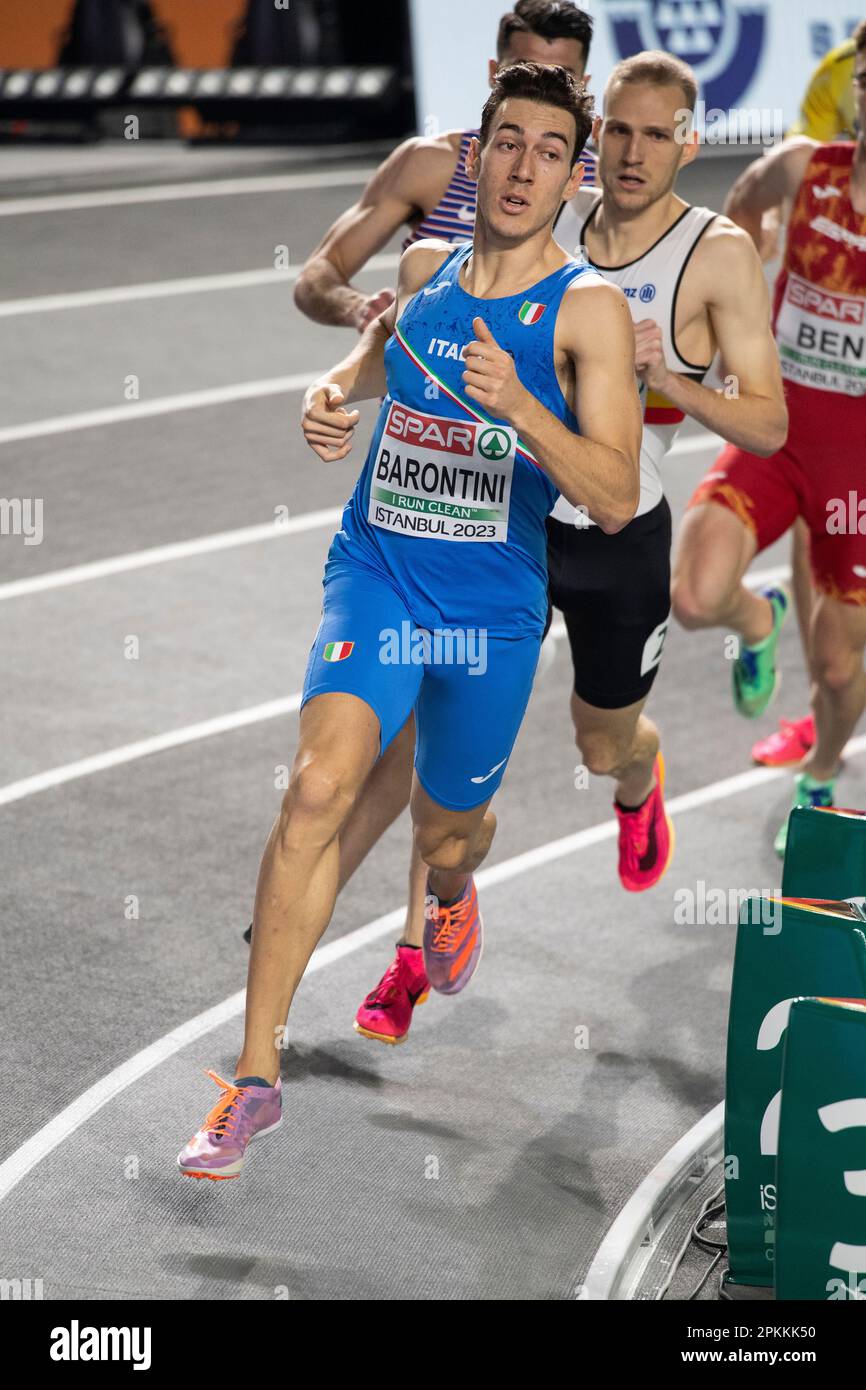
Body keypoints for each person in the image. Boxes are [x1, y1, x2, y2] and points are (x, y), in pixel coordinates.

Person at [178, 59, 642, 1176]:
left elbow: (616, 495)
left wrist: (523, 403)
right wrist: (335, 389)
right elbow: (387, 356)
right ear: (473, 153)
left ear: (572, 175)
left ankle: (447, 889)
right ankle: (252, 1080)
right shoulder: (428, 265)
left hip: (488, 608)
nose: (522, 167)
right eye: (506, 144)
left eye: (547, 151)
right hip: (378, 570)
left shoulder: (587, 312)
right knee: (318, 790)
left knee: (446, 831)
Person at [356, 48, 788, 1046]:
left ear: (688, 141)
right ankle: (414, 954)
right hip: (493, 522)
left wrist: (665, 381)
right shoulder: (538, 212)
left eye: (656, 135)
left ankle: (639, 781)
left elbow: (764, 425)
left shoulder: (710, 253)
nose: (631, 155)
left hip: (613, 535)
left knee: (600, 744)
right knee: (441, 744)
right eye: (617, 134)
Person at [671, 24, 866, 858]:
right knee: (691, 595)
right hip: (775, 427)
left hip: (857, 465)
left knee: (834, 668)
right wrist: (742, 312)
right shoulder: (801, 168)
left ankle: (822, 766)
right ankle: (758, 623)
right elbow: (737, 218)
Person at [294, 0, 595, 335]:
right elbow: (319, 273)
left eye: (560, 78)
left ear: (585, 86)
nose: (539, 94)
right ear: (494, 73)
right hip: (413, 383)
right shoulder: (429, 164)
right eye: (523, 70)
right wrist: (358, 308)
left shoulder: (600, 188)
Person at [748, 18, 865, 770]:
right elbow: (809, 173)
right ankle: (818, 705)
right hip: (814, 397)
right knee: (811, 537)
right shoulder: (835, 75)